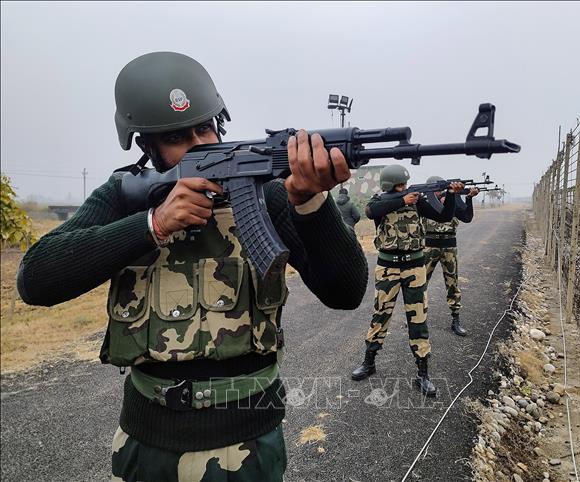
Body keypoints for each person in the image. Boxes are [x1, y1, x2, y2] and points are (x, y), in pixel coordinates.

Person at [16, 51, 368, 482]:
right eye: (177, 137)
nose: (200, 144)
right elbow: (35, 279)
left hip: (249, 446)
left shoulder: (267, 194)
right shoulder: (125, 194)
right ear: (147, 147)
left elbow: (346, 291)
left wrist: (310, 201)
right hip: (148, 445)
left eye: (205, 128)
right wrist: (153, 224)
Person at [349, 165, 463, 397]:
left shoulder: (417, 202)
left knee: (418, 318)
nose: (405, 188)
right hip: (388, 267)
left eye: (405, 185)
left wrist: (452, 195)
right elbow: (371, 211)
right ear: (390, 185)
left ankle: (423, 373)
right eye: (400, 185)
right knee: (380, 314)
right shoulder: (379, 201)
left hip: (415, 267)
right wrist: (402, 200)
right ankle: (369, 362)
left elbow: (443, 216)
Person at [423, 176, 478, 336]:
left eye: (441, 189)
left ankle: (456, 319)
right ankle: (418, 317)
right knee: (421, 284)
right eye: (437, 189)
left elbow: (467, 217)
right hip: (429, 246)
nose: (440, 192)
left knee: (452, 284)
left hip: (449, 246)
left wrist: (467, 199)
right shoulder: (423, 202)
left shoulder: (451, 199)